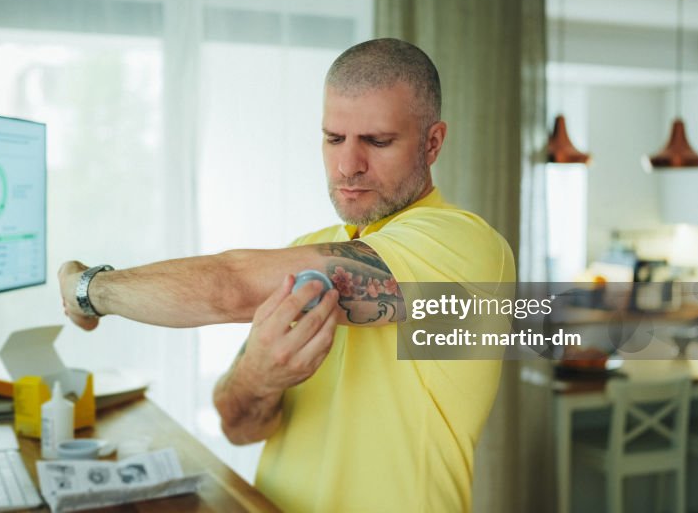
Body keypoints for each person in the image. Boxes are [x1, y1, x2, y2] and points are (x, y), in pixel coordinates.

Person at [58, 38, 515, 512]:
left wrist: (88, 289)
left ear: (432, 142)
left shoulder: (465, 247)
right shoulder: (307, 246)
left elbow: (229, 287)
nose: (348, 165)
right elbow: (238, 427)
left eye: (377, 141)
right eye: (334, 138)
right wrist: (257, 377)